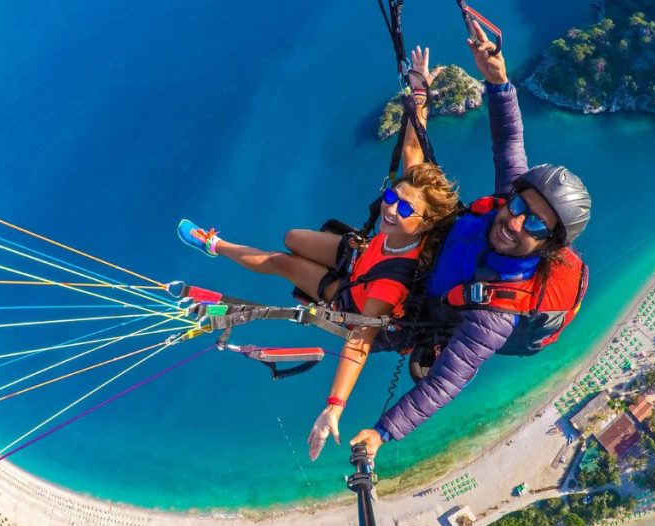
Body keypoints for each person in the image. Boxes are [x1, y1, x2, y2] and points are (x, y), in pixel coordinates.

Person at [177, 47, 461, 460]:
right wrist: (419, 93)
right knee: (292, 236)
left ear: (425, 223)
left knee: (284, 263)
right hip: (365, 257)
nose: (389, 207)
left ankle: (214, 244)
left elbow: (359, 342)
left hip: (354, 295)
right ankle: (226, 247)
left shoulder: (392, 282)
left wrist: (333, 407)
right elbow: (414, 151)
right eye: (390, 196)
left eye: (402, 208)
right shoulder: (402, 222)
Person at [346, 20, 592, 459]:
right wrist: (497, 81)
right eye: (518, 207)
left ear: (550, 247)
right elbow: (509, 141)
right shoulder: (508, 202)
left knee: (340, 309)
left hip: (421, 310)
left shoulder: (495, 314)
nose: (516, 222)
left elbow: (444, 383)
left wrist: (382, 432)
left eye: (535, 226)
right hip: (430, 262)